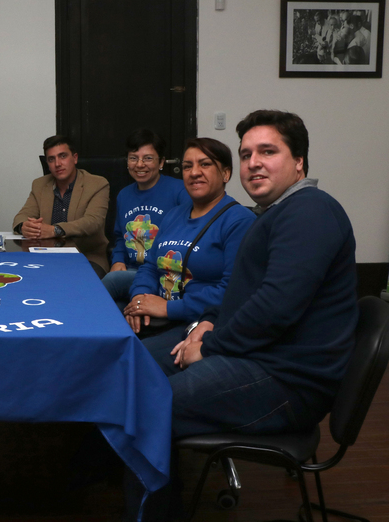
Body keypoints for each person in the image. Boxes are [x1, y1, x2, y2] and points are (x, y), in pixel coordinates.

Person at [125, 110, 357, 521]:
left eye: (268, 151)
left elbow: (275, 307)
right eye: (247, 153)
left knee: (145, 404)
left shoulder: (309, 211)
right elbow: (244, 294)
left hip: (286, 380)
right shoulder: (277, 212)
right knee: (134, 373)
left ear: (299, 161)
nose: (254, 162)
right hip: (260, 357)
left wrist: (209, 346)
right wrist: (207, 322)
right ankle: (120, 476)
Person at [122, 138, 255, 339]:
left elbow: (233, 291)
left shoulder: (239, 221)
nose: (194, 173)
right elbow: (149, 267)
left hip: (198, 322)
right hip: (156, 315)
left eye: (205, 164)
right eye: (187, 166)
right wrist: (139, 298)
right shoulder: (173, 215)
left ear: (225, 173)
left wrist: (168, 308)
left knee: (130, 358)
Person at [101, 129, 190, 311]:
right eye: (133, 158)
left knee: (110, 283)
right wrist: (118, 260)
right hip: (132, 271)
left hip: (163, 274)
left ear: (162, 162)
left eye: (148, 158)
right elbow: (120, 237)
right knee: (116, 310)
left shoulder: (180, 191)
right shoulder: (124, 195)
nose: (140, 164)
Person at [12, 135, 110, 276]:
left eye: (62, 156)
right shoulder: (39, 184)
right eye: (51, 159)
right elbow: (21, 216)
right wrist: (24, 227)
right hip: (46, 257)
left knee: (75, 283)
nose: (57, 164)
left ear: (75, 158)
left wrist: (55, 230)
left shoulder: (97, 184)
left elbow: (93, 222)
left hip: (86, 257)